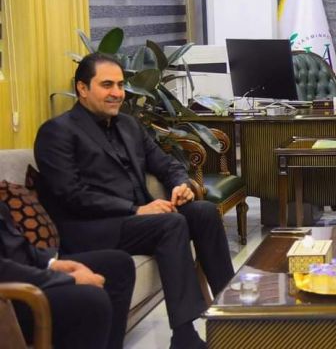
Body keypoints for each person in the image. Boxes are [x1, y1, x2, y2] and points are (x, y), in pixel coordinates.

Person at [33, 52, 235, 349]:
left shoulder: (128, 125)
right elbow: (71, 194)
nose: (117, 93)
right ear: (82, 88)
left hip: (137, 222)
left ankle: (233, 312)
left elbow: (166, 164)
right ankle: (184, 336)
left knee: (203, 211)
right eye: (107, 85)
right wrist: (136, 209)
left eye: (119, 85)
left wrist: (180, 185)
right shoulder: (57, 132)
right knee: (170, 224)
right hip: (93, 228)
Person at [1, 201, 134, 349]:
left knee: (117, 265)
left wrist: (51, 263)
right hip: (8, 300)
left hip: (21, 274)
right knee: (90, 301)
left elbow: (14, 244)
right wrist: (70, 279)